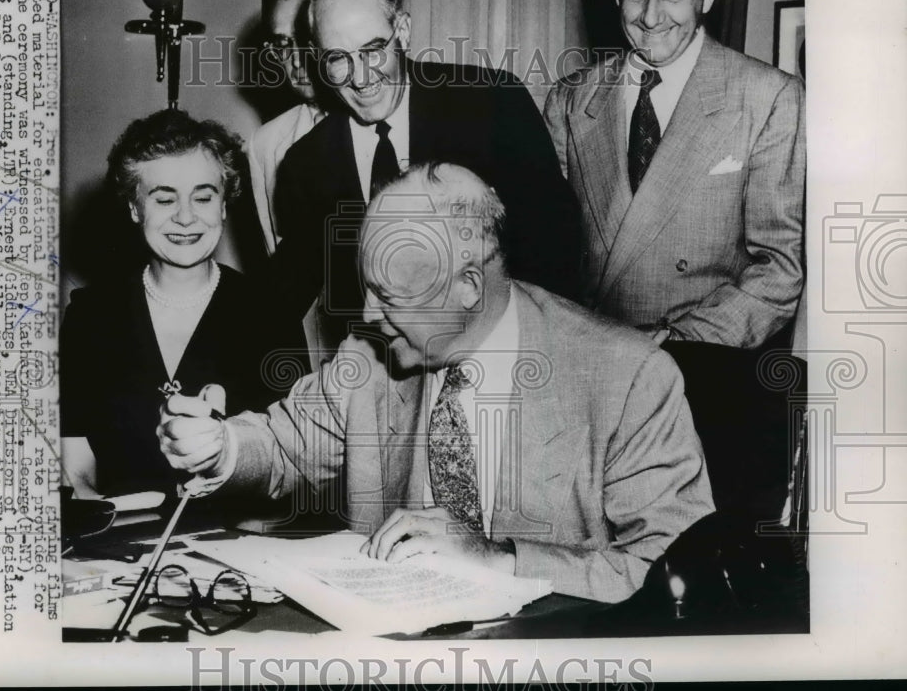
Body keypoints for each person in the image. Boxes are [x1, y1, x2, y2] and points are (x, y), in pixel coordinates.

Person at [158, 162, 714, 603]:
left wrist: (499, 558)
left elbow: (673, 572)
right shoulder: (369, 358)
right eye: (366, 288)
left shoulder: (628, 377)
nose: (367, 314)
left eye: (389, 295)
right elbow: (284, 444)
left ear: (468, 286)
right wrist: (221, 446)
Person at [265, 0, 582, 353]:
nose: (360, 78)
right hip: (382, 375)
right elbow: (284, 294)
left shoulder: (493, 105)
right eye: (337, 58)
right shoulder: (306, 165)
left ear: (402, 30)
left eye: (372, 50)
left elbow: (558, 255)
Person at [544, 0, 805, 349]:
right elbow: (548, 255)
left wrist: (675, 342)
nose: (650, 17)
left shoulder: (769, 99)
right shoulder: (570, 99)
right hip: (591, 357)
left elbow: (779, 270)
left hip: (699, 363)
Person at [60, 110, 306, 501]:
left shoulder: (272, 314)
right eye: (164, 199)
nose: (186, 217)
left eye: (203, 197)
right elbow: (76, 468)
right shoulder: (89, 317)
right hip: (118, 536)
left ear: (223, 205)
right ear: (135, 207)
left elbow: (296, 462)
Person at [246, 0, 325, 254]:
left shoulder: (384, 124)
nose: (297, 60)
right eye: (282, 44)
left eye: (307, 37)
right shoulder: (264, 145)